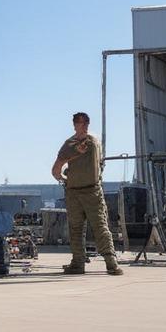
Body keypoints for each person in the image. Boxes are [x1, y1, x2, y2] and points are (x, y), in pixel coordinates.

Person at [52, 111, 123, 276]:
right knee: (97, 226)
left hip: (79, 191)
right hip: (89, 191)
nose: (81, 125)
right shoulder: (95, 142)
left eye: (82, 122)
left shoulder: (69, 144)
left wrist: (65, 179)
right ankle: (110, 263)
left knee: (80, 228)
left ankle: (80, 263)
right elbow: (99, 165)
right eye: (80, 122)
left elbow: (56, 170)